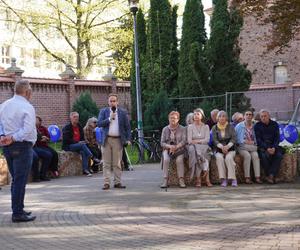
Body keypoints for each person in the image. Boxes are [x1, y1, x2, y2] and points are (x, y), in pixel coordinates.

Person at [0, 79, 37, 222]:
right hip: (21, 146)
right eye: (31, 90)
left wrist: (3, 136)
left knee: (17, 180)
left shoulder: (4, 105)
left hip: (8, 147)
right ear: (27, 92)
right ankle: (17, 213)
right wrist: (13, 138)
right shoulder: (27, 106)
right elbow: (27, 129)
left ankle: (19, 209)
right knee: (20, 181)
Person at [98, 93, 131, 190]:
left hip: (118, 140)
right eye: (110, 101)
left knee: (117, 163)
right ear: (108, 102)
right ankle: (106, 183)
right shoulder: (103, 111)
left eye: (114, 101)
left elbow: (127, 127)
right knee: (106, 163)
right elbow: (99, 124)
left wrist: (128, 139)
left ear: (117, 102)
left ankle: (117, 182)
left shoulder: (122, 112)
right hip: (106, 139)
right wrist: (109, 119)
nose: (112, 103)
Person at [62, 112, 100, 177]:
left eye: (77, 117)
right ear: (70, 118)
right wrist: (77, 142)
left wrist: (82, 141)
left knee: (83, 151)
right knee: (82, 145)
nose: (76, 119)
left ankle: (85, 170)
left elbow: (82, 137)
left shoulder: (79, 126)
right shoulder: (67, 127)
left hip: (79, 145)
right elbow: (67, 139)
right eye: (74, 117)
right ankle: (93, 157)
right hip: (69, 145)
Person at [254, 109, 283, 184]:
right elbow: (258, 140)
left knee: (279, 155)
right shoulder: (257, 126)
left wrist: (273, 147)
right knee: (263, 156)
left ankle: (270, 175)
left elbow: (277, 138)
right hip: (263, 146)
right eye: (262, 116)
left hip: (274, 146)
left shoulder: (275, 124)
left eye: (265, 116)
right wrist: (267, 148)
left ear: (269, 116)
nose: (263, 118)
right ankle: (272, 175)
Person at [160, 111, 186, 188]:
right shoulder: (165, 129)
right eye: (171, 118)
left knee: (179, 160)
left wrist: (176, 147)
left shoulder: (182, 128)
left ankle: (181, 179)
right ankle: (165, 180)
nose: (172, 120)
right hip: (167, 149)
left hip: (179, 150)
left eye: (174, 118)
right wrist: (169, 147)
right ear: (168, 119)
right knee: (166, 159)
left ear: (178, 119)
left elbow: (184, 141)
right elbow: (162, 143)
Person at [211, 110, 238, 187]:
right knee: (219, 158)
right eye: (220, 116)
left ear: (226, 118)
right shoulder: (214, 127)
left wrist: (227, 146)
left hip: (230, 147)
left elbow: (234, 138)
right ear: (217, 118)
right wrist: (222, 147)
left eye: (223, 116)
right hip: (219, 148)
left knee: (229, 158)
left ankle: (233, 179)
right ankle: (223, 179)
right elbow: (214, 140)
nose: (222, 118)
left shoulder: (231, 127)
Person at [187, 108, 212, 187]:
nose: (196, 116)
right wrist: (200, 140)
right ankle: (200, 179)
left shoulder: (206, 126)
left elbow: (207, 140)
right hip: (194, 147)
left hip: (204, 147)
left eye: (198, 114)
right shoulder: (190, 127)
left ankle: (205, 178)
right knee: (198, 155)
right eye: (194, 114)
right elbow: (189, 141)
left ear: (202, 116)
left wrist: (196, 141)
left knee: (205, 156)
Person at [235, 110, 262, 184]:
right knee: (247, 156)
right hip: (242, 147)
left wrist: (252, 143)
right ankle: (247, 178)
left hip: (252, 145)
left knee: (255, 155)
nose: (248, 116)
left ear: (252, 116)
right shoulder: (239, 126)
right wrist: (247, 142)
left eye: (250, 114)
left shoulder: (255, 125)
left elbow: (257, 138)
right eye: (246, 114)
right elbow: (237, 139)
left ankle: (257, 177)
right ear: (244, 116)